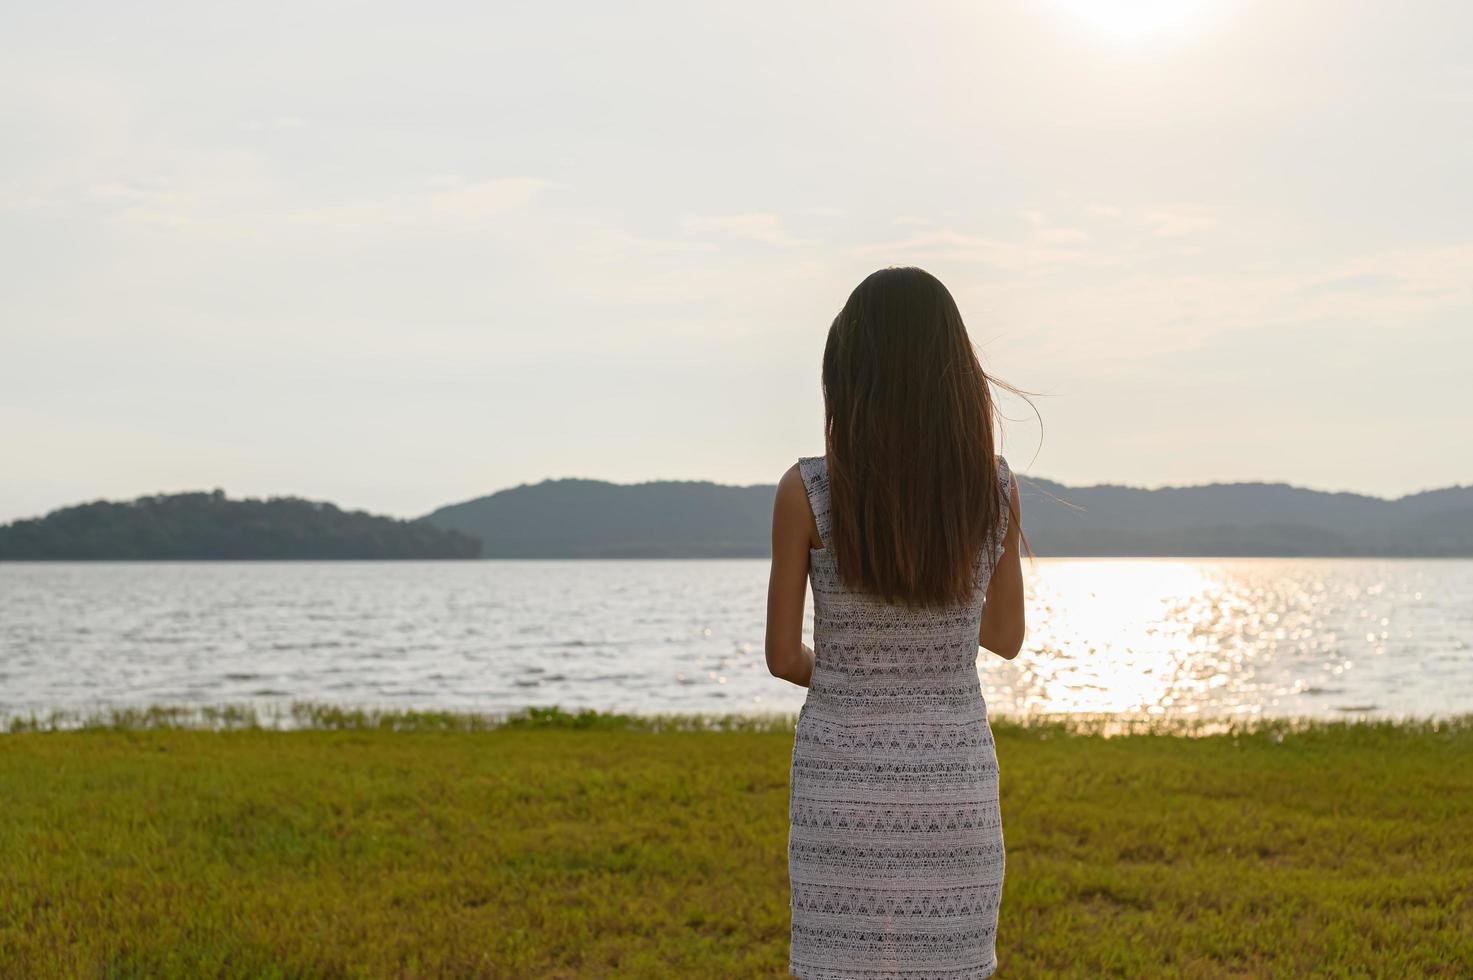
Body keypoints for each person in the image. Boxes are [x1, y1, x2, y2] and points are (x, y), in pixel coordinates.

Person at [765, 266, 1028, 979]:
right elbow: (1002, 638)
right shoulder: (993, 490)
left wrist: (856, 674)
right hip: (953, 786)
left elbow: (784, 658)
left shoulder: (807, 491)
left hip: (838, 789)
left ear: (848, 374)